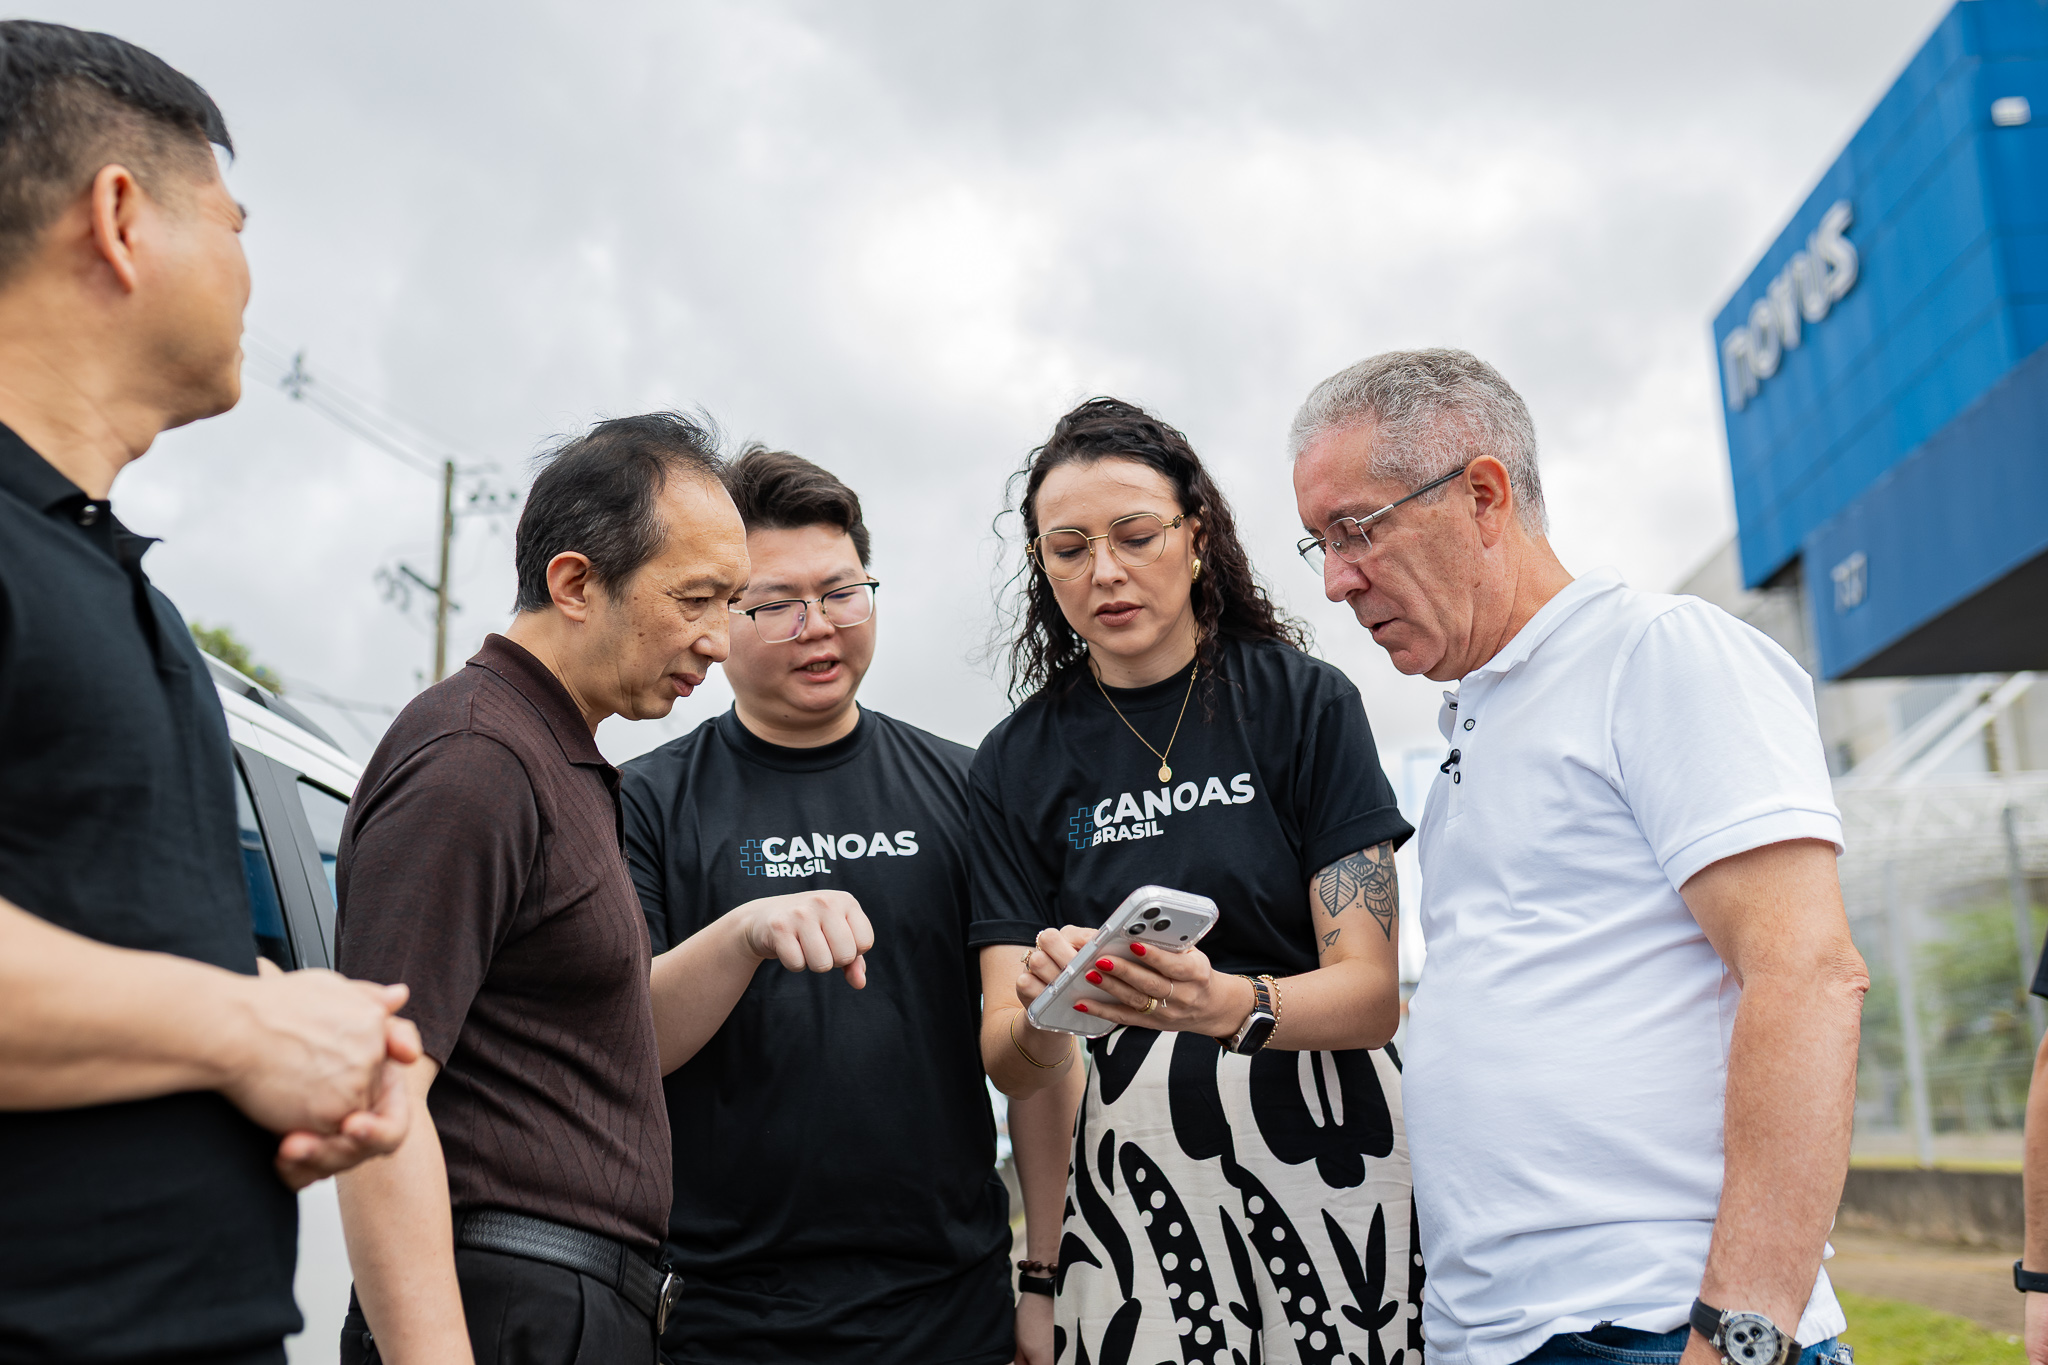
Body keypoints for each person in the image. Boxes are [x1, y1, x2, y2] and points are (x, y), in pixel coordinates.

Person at [1290, 348, 1866, 1365]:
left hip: (1651, 1324)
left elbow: (1807, 974)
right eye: (1319, 546)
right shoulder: (1480, 718)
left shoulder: (1655, 654)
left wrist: (1739, 1337)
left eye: (1356, 530)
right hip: (1500, 1335)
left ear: (1481, 496)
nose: (1337, 580)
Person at [0, 23, 418, 1364]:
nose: (249, 273)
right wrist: (247, 1024)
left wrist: (289, 1048)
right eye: (234, 226)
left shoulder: (136, 608)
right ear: (120, 217)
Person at [333, 416, 873, 1365]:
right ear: (576, 583)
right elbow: (378, 1098)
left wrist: (745, 931)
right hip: (509, 1303)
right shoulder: (476, 757)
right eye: (696, 598)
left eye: (729, 603)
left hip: (578, 1305)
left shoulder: (555, 756)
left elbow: (610, 1037)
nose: (718, 639)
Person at [971, 397, 1421, 1365]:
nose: (1104, 571)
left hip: (1332, 1152)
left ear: (1196, 535)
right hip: (1133, 1186)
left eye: (1136, 536)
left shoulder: (1303, 703)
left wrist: (1218, 1001)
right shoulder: (1013, 762)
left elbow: (1370, 993)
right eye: (1067, 549)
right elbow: (1008, 1060)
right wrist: (1046, 1012)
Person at [621, 444, 1056, 1364]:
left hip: (949, 1310)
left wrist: (1042, 1276)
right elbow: (629, 1043)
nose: (816, 626)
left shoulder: (972, 788)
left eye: (842, 592)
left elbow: (1037, 1044)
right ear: (717, 614)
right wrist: (745, 934)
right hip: (720, 1319)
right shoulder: (644, 803)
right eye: (775, 603)